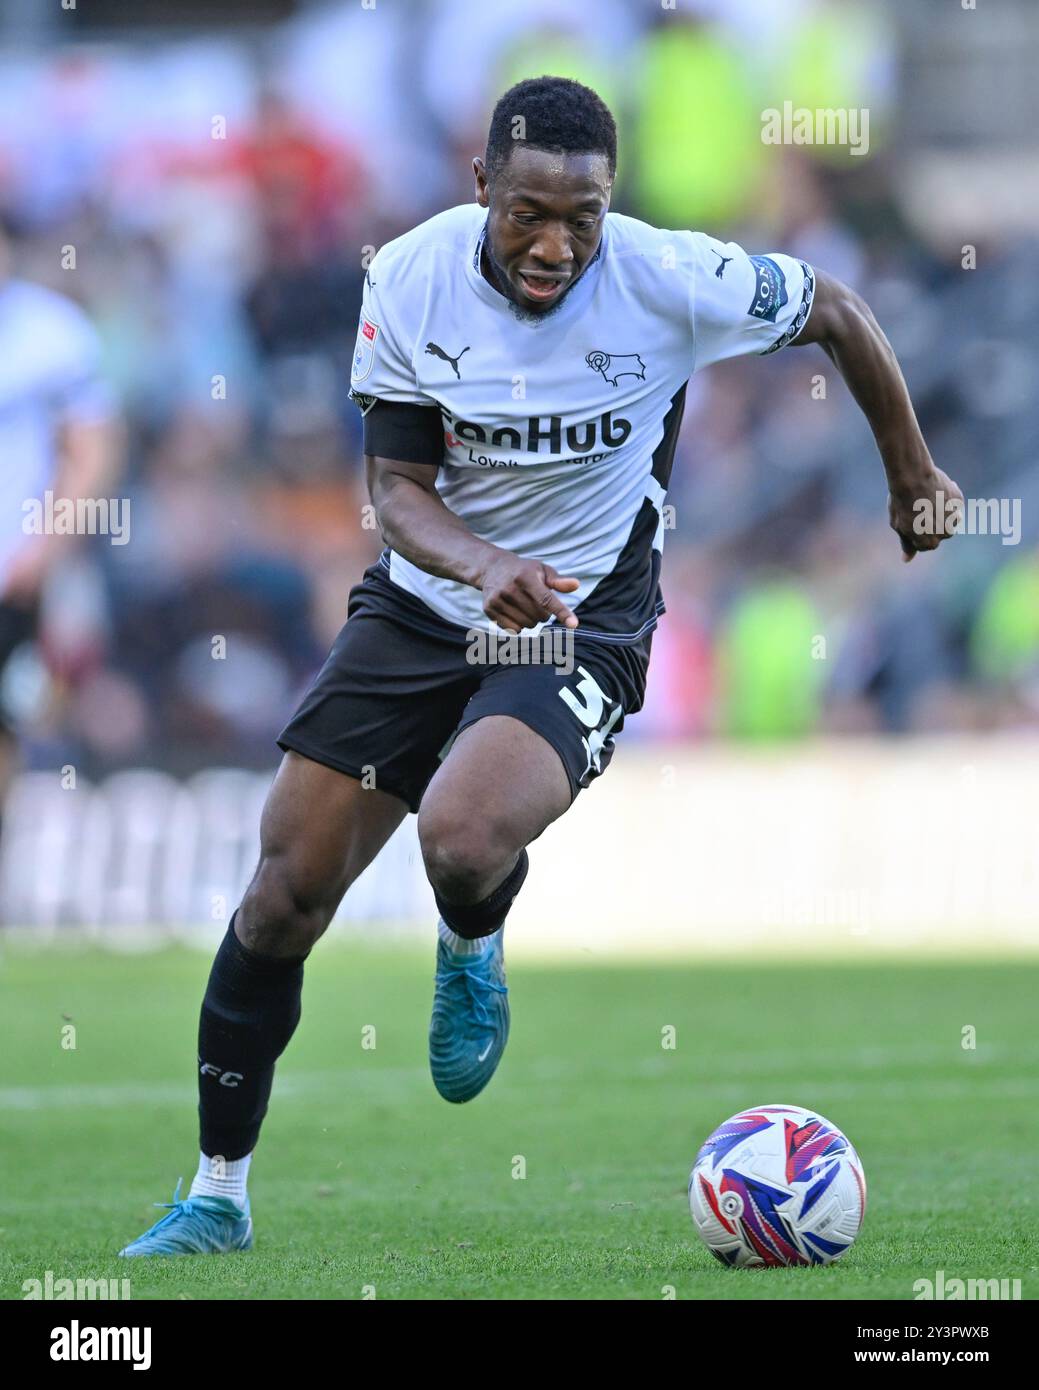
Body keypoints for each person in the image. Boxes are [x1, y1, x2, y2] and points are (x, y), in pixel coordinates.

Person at [119, 76, 961, 1257]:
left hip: (581, 617)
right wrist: (479, 562)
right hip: (421, 608)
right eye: (527, 213)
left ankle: (471, 938)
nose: (556, 243)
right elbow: (395, 491)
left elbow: (836, 310)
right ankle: (216, 1195)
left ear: (612, 203)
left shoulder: (672, 277)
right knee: (281, 895)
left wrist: (910, 473)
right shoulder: (407, 277)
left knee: (461, 835)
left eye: (583, 215)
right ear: (481, 191)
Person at [0, 215, 121, 841]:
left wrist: (45, 548)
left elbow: (93, 451)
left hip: (17, 573)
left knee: (10, 723)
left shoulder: (51, 334)